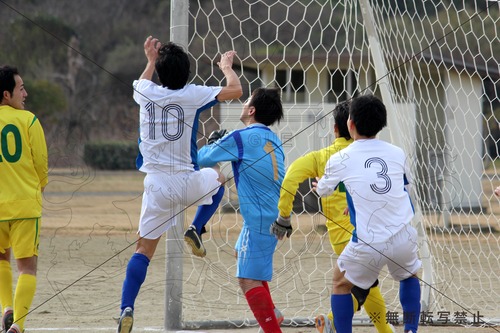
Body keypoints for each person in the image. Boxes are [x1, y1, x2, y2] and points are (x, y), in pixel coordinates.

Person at [116, 36, 242, 333]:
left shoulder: (145, 90)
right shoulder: (193, 94)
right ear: (188, 74)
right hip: (188, 182)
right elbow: (236, 90)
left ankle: (126, 307)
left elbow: (143, 81)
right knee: (219, 178)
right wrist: (227, 67)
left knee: (142, 251)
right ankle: (196, 228)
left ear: (159, 72)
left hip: (156, 186)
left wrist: (150, 60)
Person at [273, 101, 394, 333]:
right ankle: (334, 320)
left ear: (335, 128)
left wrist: (284, 216)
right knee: (365, 284)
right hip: (371, 231)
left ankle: (381, 329)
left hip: (340, 237)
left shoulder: (321, 157)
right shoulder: (372, 156)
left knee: (366, 284)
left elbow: (290, 179)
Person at [312, 94, 421, 333]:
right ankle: (411, 330)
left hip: (368, 241)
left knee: (340, 283)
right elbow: (405, 189)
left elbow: (323, 191)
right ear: (382, 123)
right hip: (403, 236)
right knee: (410, 275)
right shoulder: (397, 152)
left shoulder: (340, 157)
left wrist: (318, 185)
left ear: (350, 124)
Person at [198, 87, 285, 333]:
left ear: (251, 110)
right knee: (241, 255)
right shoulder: (273, 139)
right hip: (270, 215)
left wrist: (211, 143)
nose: (243, 103)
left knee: (247, 279)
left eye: (246, 100)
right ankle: (273, 314)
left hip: (259, 218)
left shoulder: (242, 137)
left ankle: (272, 327)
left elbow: (204, 158)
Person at [0, 65, 48, 333]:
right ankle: (18, 325)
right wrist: (40, 187)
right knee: (27, 268)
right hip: (25, 206)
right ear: (6, 94)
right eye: (21, 88)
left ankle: (6, 308)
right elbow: (41, 163)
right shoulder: (29, 120)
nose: (25, 93)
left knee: (1, 260)